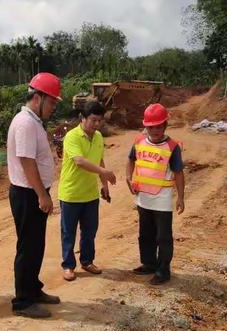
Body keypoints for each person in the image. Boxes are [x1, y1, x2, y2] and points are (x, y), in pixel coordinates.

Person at [7, 72, 62, 318]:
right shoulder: (26, 123)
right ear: (38, 98)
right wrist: (42, 195)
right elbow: (27, 162)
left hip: (33, 192)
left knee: (36, 245)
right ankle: (23, 301)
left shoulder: (33, 121)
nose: (52, 108)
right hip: (27, 194)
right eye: (51, 102)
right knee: (28, 247)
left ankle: (33, 288)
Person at [125, 103, 185, 285]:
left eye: (159, 126)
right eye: (151, 127)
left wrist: (181, 198)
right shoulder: (139, 142)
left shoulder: (172, 147)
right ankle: (149, 264)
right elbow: (130, 160)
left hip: (162, 199)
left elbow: (179, 173)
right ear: (146, 126)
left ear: (165, 125)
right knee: (145, 234)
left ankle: (163, 270)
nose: (155, 130)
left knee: (163, 237)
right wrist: (129, 179)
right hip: (143, 198)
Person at [58, 101, 116, 282]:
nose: (97, 124)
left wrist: (104, 184)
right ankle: (68, 265)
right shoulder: (71, 137)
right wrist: (104, 173)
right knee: (69, 232)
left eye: (100, 121)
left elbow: (99, 160)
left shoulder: (98, 137)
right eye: (93, 120)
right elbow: (80, 161)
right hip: (71, 193)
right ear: (82, 118)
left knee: (90, 230)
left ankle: (87, 261)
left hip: (90, 195)